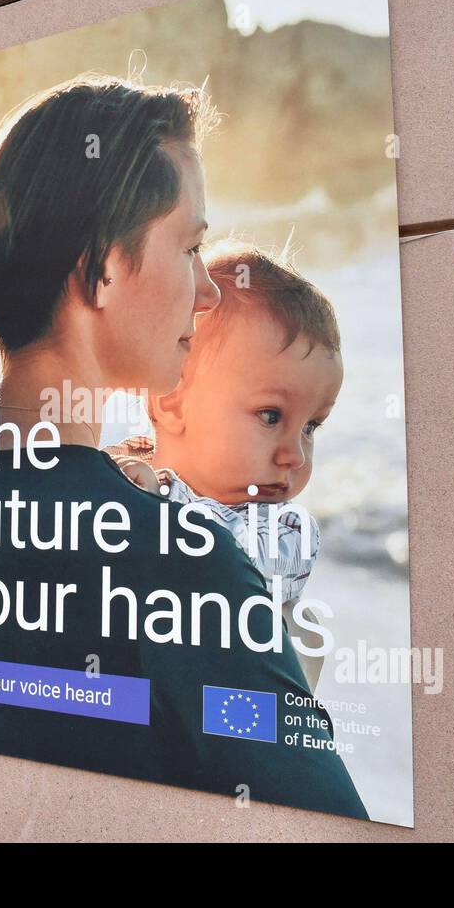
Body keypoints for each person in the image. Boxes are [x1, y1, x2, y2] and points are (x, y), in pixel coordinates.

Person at [0, 74, 367, 818]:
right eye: (190, 246)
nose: (210, 289)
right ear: (100, 267)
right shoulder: (180, 559)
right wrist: (293, 677)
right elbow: (326, 820)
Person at [106, 241, 344, 692]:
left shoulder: (285, 530)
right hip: (156, 701)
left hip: (241, 720)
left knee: (304, 633)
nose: (295, 454)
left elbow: (221, 562)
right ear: (173, 401)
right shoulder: (133, 467)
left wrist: (157, 501)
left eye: (311, 426)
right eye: (271, 416)